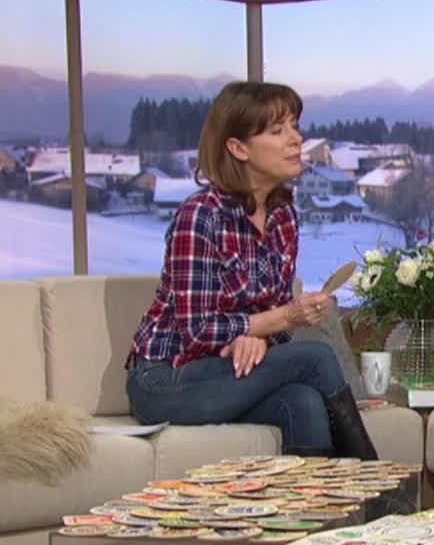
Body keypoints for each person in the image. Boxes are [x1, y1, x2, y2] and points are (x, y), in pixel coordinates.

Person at [125, 80, 378, 461]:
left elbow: (271, 321)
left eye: (294, 126)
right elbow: (198, 331)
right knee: (316, 357)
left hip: (230, 370)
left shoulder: (283, 216)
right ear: (238, 148)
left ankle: (315, 502)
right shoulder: (201, 216)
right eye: (277, 131)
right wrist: (282, 318)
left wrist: (259, 336)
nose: (296, 139)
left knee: (304, 403)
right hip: (167, 379)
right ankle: (379, 487)